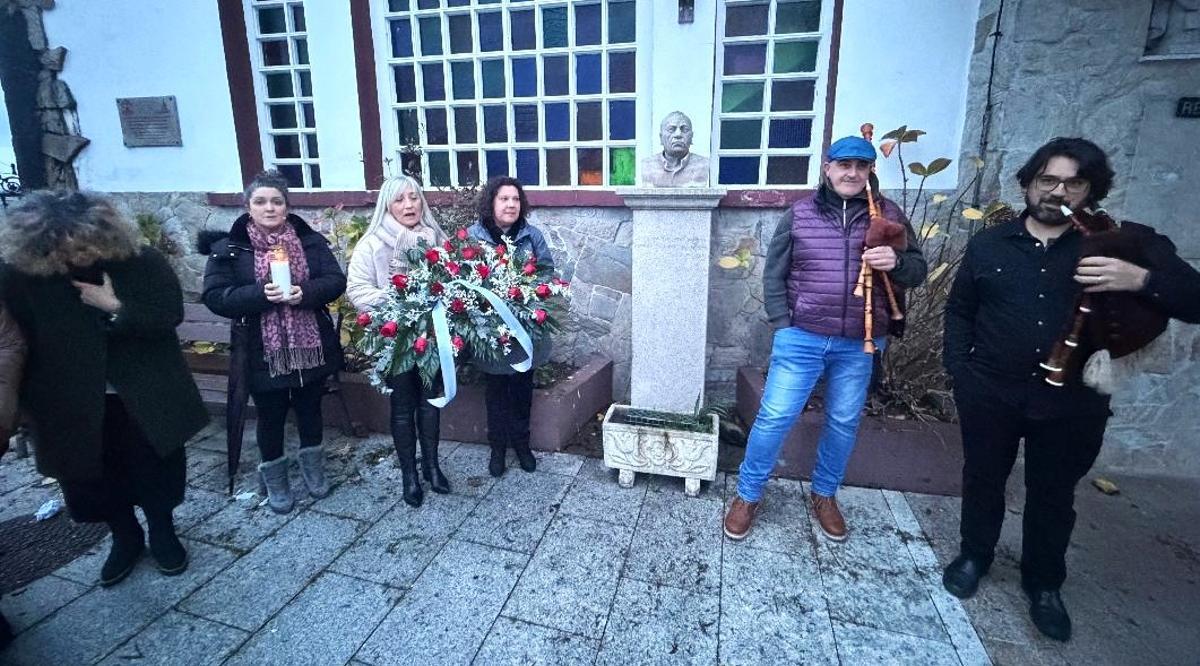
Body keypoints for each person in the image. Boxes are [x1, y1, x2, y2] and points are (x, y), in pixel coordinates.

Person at [941, 137, 1200, 641]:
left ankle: (1043, 583)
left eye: (1072, 182)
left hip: (1072, 401)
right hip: (991, 390)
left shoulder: (1122, 243)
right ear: (1028, 184)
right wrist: (960, 372)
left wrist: (1141, 279)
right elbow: (960, 310)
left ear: (1090, 189)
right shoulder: (990, 243)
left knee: (1053, 494)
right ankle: (975, 556)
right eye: (1047, 180)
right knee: (983, 478)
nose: (1057, 191)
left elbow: (1195, 300)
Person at [723, 136, 928, 542]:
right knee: (775, 417)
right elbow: (774, 273)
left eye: (861, 166)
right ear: (828, 168)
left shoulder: (887, 215)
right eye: (844, 164)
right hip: (802, 337)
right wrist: (784, 323)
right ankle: (748, 495)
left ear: (870, 171)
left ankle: (825, 494)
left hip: (860, 342)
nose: (852, 173)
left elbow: (917, 271)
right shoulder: (800, 214)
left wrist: (898, 262)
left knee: (842, 420)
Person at [0, 190, 209, 587]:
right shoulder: (20, 277)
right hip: (69, 400)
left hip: (143, 391)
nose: (78, 254)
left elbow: (168, 315)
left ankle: (163, 532)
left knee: (154, 465)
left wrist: (113, 306)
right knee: (93, 472)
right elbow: (14, 338)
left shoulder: (140, 262)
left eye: (85, 244)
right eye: (64, 246)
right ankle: (124, 536)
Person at [200, 170, 346, 514]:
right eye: (261, 202)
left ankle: (313, 470)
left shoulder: (309, 242)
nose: (270, 208)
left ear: (286, 206)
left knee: (311, 409)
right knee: (270, 416)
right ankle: (276, 479)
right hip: (261, 350)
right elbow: (215, 295)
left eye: (277, 202)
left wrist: (304, 293)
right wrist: (260, 295)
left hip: (311, 346)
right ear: (248, 206)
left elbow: (334, 281)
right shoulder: (230, 249)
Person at [347, 175, 451, 507]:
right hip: (395, 338)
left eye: (414, 198)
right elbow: (358, 290)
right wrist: (399, 300)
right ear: (387, 206)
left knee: (429, 401)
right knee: (404, 406)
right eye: (399, 200)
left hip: (431, 337)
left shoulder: (435, 238)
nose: (408, 205)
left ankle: (432, 467)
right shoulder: (373, 243)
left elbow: (452, 279)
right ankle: (409, 475)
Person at [467, 176, 554, 477]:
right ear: (491, 202)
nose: (510, 204)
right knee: (496, 390)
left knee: (521, 388)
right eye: (504, 198)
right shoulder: (472, 237)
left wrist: (526, 296)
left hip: (524, 329)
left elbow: (546, 275)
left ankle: (522, 444)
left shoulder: (533, 237)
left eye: (515, 199)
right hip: (490, 331)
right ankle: (497, 448)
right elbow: (463, 281)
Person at [639, 111, 710, 187]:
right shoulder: (646, 165)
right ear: (661, 137)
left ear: (691, 137)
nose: (678, 134)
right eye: (671, 129)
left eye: (685, 130)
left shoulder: (704, 165)